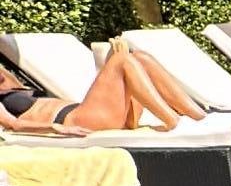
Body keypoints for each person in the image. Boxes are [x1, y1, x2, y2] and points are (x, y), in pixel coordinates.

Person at [1, 42, 202, 134]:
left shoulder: (11, 82)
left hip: (93, 114)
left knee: (140, 57)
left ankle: (197, 116)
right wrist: (55, 128)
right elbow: (14, 125)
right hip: (75, 120)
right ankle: (172, 120)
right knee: (122, 60)